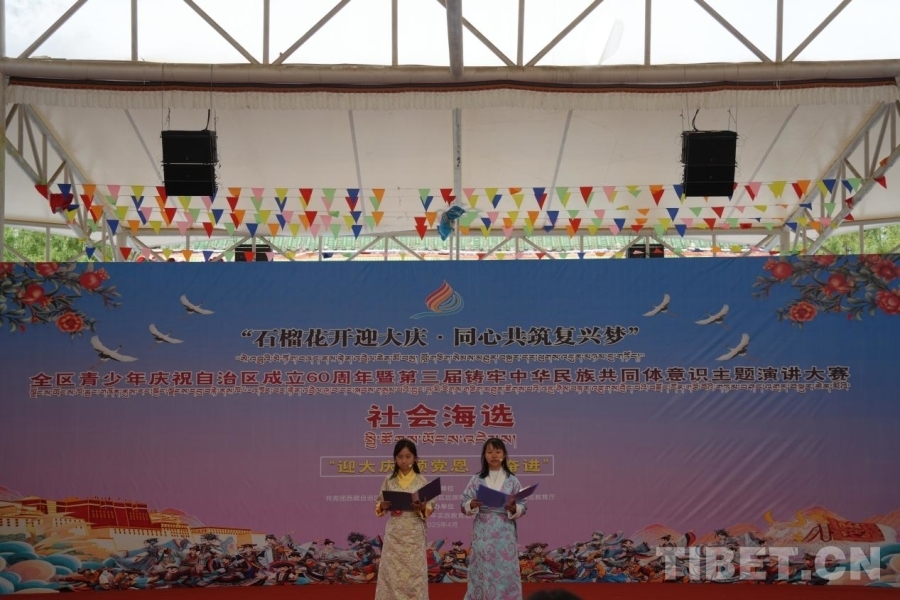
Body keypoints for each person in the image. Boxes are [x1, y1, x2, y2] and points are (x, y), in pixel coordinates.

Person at [460, 437, 527, 600]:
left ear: (504, 455)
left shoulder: (512, 480)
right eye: (490, 452)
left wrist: (515, 508)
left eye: (498, 452)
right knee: (482, 567)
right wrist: (471, 504)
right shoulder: (476, 479)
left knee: (505, 569)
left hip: (505, 531)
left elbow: (523, 504)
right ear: (484, 455)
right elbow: (463, 503)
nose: (494, 455)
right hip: (483, 530)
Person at [374, 439, 435, 600]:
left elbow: (430, 506)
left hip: (414, 531)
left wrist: (422, 507)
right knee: (391, 571)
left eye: (408, 456)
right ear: (395, 458)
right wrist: (383, 505)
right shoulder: (389, 480)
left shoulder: (422, 481)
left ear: (415, 458)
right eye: (400, 456)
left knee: (415, 572)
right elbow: (378, 505)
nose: (404, 460)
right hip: (395, 531)